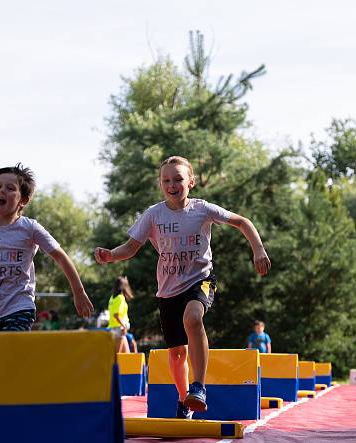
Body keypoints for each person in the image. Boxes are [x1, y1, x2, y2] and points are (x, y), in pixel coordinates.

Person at [94, 156, 271, 419]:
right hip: (168, 290)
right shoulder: (153, 215)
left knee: (193, 318)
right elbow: (131, 247)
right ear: (160, 184)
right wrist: (111, 255)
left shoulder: (202, 209)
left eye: (178, 179)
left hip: (201, 280)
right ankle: (184, 400)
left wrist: (258, 249)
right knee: (177, 354)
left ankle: (198, 387)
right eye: (166, 180)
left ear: (191, 182)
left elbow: (242, 222)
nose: (172, 184)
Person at [0, 164, 94, 331]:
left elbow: (60, 257)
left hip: (19, 307)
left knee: (13, 353)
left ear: (23, 200)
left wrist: (78, 291)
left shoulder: (30, 228)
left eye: (10, 188)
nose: (1, 190)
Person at [108, 276, 133, 353]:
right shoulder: (120, 298)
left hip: (113, 328)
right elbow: (116, 315)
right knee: (117, 355)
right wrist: (124, 325)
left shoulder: (112, 298)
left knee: (126, 355)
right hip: (120, 329)